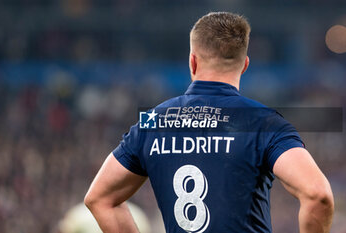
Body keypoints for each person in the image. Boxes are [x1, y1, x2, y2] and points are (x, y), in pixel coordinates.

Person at [84, 12, 334, 233]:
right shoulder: (263, 123)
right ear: (244, 65)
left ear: (192, 61)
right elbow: (318, 194)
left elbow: (99, 198)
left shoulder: (152, 122)